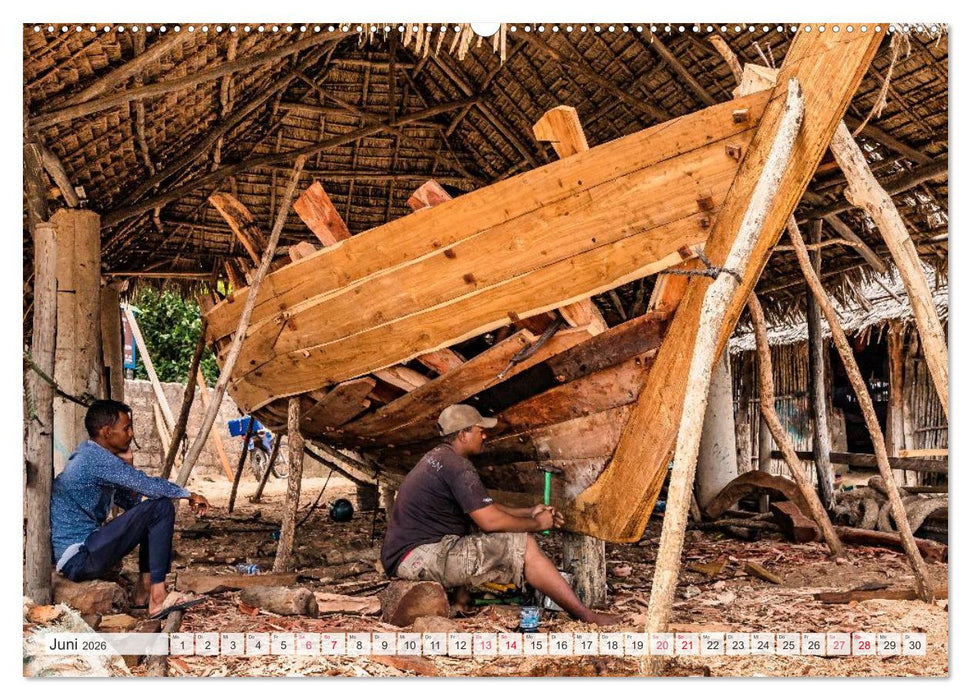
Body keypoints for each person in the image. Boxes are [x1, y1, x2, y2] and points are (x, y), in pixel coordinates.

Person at [381, 404, 620, 626]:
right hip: (419, 558)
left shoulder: (439, 458)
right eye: (479, 430)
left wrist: (529, 511)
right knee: (525, 545)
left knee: (476, 531)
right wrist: (537, 523)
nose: (484, 435)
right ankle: (586, 615)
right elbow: (490, 521)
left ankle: (461, 601)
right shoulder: (458, 466)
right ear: (463, 434)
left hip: (409, 556)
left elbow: (485, 507)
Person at [50, 399, 210, 617]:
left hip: (88, 551)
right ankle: (157, 598)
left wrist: (128, 467)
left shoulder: (97, 457)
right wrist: (188, 494)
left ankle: (143, 593)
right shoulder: (93, 458)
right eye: (126, 428)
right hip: (79, 556)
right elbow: (148, 487)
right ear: (106, 431)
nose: (131, 434)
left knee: (155, 510)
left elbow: (133, 506)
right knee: (161, 507)